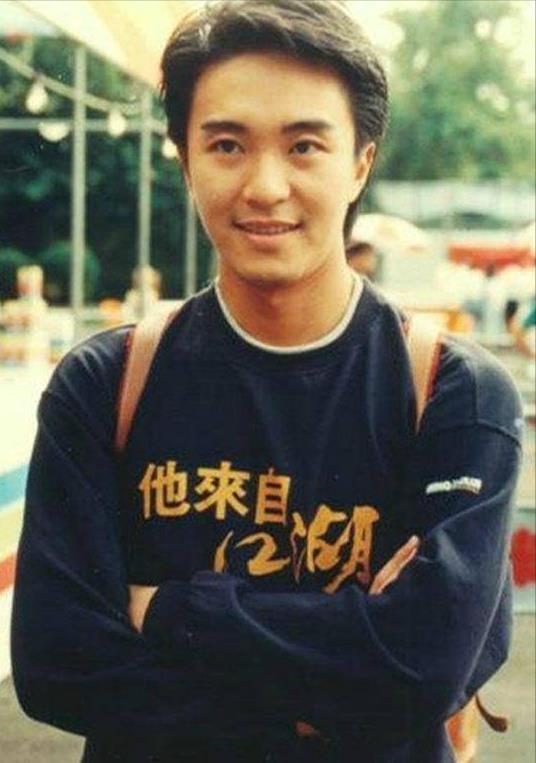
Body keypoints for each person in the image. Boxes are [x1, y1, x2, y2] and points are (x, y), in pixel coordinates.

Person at [11, 2, 522, 762]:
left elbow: (427, 665)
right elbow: (57, 663)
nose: (265, 186)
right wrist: (341, 687)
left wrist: (171, 611)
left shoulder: (455, 392)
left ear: (360, 163)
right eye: (227, 145)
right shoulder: (103, 385)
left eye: (304, 145)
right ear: (184, 160)